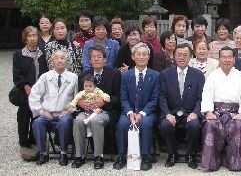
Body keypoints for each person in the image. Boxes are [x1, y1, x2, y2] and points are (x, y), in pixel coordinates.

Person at [201, 47, 241, 171]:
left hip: (234, 112)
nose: (227, 60)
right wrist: (209, 111)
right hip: (216, 111)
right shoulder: (212, 76)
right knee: (210, 125)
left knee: (239, 126)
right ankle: (211, 162)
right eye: (223, 57)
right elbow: (207, 94)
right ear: (219, 59)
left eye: (229, 57)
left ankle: (236, 163)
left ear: (234, 59)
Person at [72, 45, 121, 169]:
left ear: (105, 59)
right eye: (93, 57)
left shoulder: (114, 74)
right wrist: (80, 103)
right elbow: (78, 96)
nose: (96, 59)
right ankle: (79, 156)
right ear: (90, 60)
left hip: (106, 111)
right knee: (78, 121)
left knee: (96, 121)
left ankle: (98, 156)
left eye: (99, 56)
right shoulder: (83, 75)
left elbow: (118, 97)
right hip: (87, 109)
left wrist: (104, 102)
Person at [114, 43, 160, 171]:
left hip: (147, 112)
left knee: (145, 124)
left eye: (144, 54)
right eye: (138, 54)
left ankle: (146, 156)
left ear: (149, 57)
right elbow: (123, 98)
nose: (141, 57)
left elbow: (154, 99)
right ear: (133, 57)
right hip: (128, 111)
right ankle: (122, 156)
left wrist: (141, 113)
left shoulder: (156, 76)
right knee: (122, 124)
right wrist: (129, 112)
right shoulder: (125, 76)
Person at [159, 43, 205, 169]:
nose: (182, 58)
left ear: (191, 57)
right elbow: (161, 97)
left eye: (185, 55)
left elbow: (201, 98)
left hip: (190, 112)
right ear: (173, 56)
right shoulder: (165, 74)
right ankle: (172, 153)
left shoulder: (198, 75)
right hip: (172, 112)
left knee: (195, 125)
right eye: (178, 55)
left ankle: (191, 154)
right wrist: (167, 114)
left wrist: (195, 113)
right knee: (164, 125)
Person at [28, 50, 78, 166]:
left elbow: (77, 98)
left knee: (65, 122)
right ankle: (43, 153)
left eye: (62, 58)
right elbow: (34, 94)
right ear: (52, 61)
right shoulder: (45, 77)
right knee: (37, 123)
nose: (59, 60)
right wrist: (41, 111)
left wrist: (69, 110)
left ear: (67, 61)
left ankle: (63, 153)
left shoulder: (73, 77)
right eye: (56, 58)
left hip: (64, 112)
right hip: (48, 113)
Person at [13, 26, 49, 160]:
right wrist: (27, 87)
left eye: (34, 35)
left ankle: (34, 141)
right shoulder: (19, 54)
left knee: (37, 117)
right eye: (29, 36)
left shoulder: (42, 53)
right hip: (25, 92)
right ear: (25, 38)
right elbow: (17, 75)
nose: (32, 38)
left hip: (40, 91)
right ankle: (23, 143)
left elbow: (45, 72)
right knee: (23, 117)